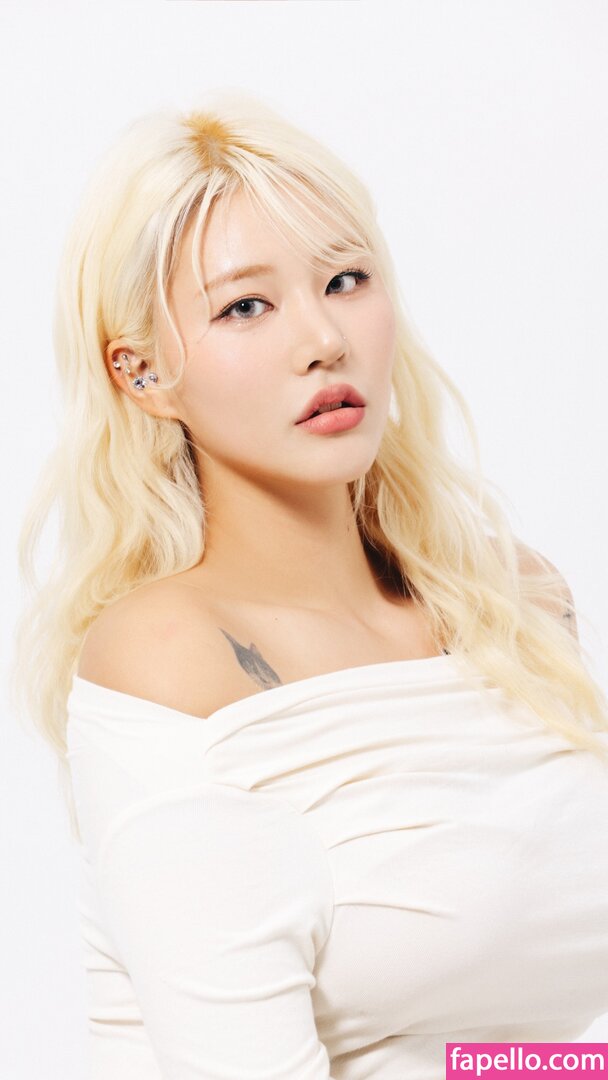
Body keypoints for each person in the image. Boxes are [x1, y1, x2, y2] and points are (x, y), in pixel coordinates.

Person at [11, 90, 608, 1079]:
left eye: (345, 279)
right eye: (245, 306)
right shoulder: (170, 658)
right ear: (143, 374)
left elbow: (524, 1047)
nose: (323, 338)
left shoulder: (515, 602)